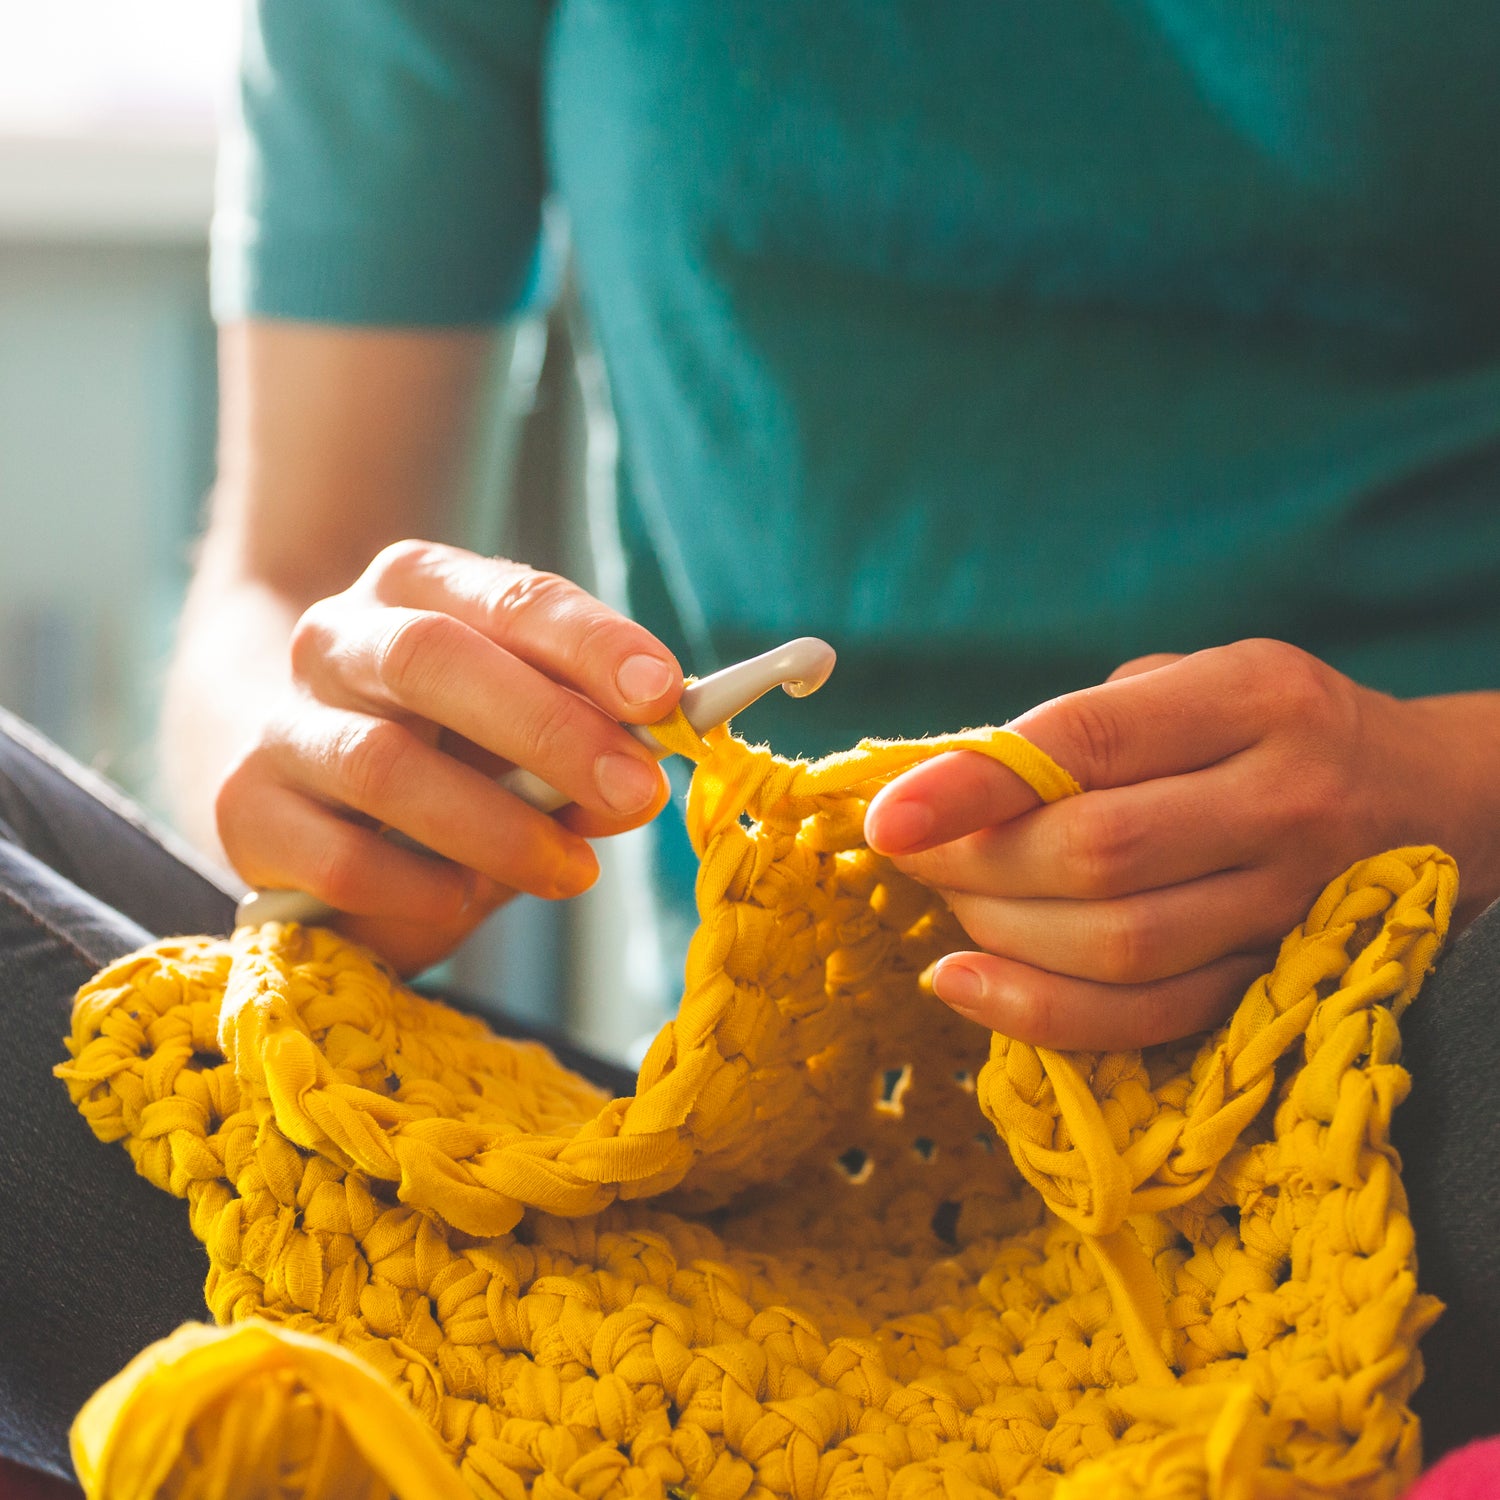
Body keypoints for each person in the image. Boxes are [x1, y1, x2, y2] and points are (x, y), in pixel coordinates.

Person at [5, 0, 1500, 1479]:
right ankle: (694, 1392)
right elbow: (284, 575)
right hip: (702, 1166)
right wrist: (330, 748)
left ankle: (558, 1416)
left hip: (1405, 1069)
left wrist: (1444, 785)